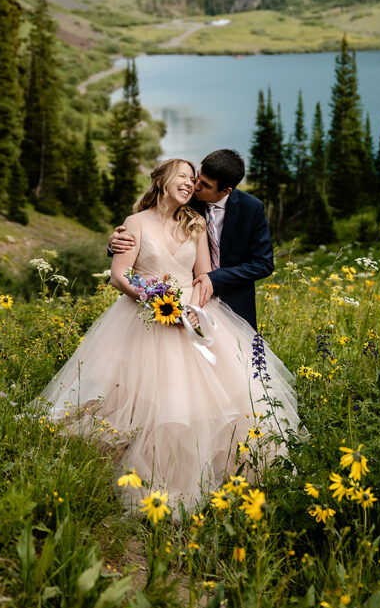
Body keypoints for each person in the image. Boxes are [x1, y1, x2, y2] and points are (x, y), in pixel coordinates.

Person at [37, 158, 299, 511]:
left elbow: (205, 275)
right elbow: (120, 275)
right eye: (186, 177)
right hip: (143, 319)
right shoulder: (135, 223)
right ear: (162, 179)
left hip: (191, 315)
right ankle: (119, 466)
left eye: (197, 181)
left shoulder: (198, 223)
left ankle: (200, 469)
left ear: (224, 190)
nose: (192, 185)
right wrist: (154, 302)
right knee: (132, 397)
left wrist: (190, 310)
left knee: (203, 400)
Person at [109, 149, 271, 331]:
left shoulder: (251, 208)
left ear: (226, 191)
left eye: (205, 185)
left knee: (241, 357)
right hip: (161, 304)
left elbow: (263, 263)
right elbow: (144, 239)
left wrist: (213, 280)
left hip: (229, 300)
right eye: (197, 178)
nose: (195, 186)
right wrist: (115, 243)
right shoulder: (183, 198)